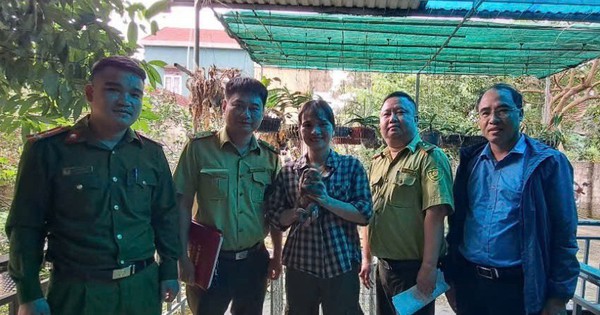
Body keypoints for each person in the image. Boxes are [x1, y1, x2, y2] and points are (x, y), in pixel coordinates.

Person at [6, 56, 181, 315]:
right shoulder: (49, 151)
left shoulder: (150, 154)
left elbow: (165, 215)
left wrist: (169, 268)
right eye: (113, 90)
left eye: (135, 94)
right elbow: (25, 225)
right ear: (90, 92)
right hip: (78, 291)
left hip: (140, 287)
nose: (125, 101)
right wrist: (29, 293)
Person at [444, 83, 579, 315]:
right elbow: (457, 225)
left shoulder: (547, 164)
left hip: (517, 288)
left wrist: (558, 296)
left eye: (503, 110)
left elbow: (563, 233)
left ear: (521, 113)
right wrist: (451, 275)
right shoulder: (470, 162)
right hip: (470, 283)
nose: (493, 119)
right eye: (485, 112)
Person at [174, 77, 282, 315]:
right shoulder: (199, 149)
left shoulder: (269, 157)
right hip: (210, 260)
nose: (246, 114)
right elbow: (181, 205)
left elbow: (276, 211)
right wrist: (182, 258)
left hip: (254, 260)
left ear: (262, 113)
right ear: (224, 106)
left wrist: (277, 255)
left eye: (254, 108)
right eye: (239, 105)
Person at [265, 99, 372, 314]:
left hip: (341, 264)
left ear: (333, 128)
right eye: (307, 124)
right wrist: (297, 211)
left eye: (323, 124)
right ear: (300, 129)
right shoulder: (288, 171)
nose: (315, 131)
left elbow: (364, 214)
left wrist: (325, 200)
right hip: (300, 264)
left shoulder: (351, 166)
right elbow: (275, 218)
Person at [360, 91, 454, 315]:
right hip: (383, 267)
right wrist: (366, 258)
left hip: (413, 270)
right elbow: (368, 213)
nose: (392, 118)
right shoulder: (377, 161)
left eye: (400, 112)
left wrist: (428, 268)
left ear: (416, 120)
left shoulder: (429, 157)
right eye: (386, 114)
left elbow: (436, 213)